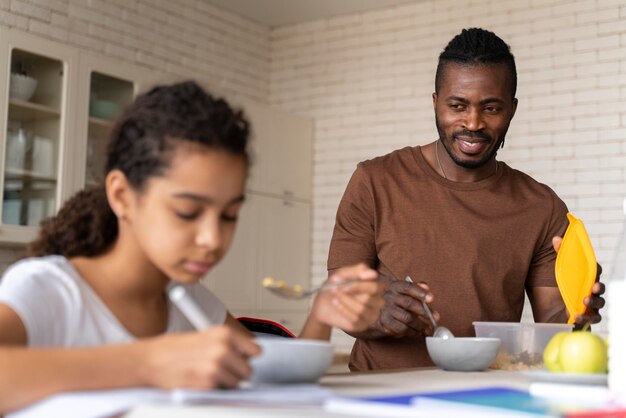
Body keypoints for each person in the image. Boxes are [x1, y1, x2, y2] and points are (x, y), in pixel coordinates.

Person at [0, 81, 384, 413]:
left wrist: (323, 313)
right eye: (187, 212)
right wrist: (148, 363)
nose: (213, 239)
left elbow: (275, 383)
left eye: (229, 215)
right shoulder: (49, 289)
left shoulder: (189, 300)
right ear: (121, 195)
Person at [327, 28, 606, 371]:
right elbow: (337, 299)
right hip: (377, 392)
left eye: (491, 108)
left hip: (485, 393)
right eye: (457, 106)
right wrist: (371, 312)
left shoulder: (541, 206)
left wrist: (579, 313)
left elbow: (555, 321)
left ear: (512, 110)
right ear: (435, 103)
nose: (473, 123)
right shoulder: (375, 181)